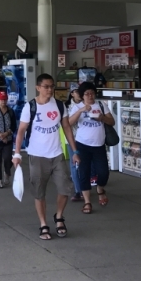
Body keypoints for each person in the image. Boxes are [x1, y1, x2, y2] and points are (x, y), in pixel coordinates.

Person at [12, 73, 81, 240]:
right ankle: (43, 224)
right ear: (38, 88)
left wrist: (75, 151)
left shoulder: (59, 105)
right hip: (37, 155)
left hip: (57, 154)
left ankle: (59, 216)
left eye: (52, 86)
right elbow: (21, 131)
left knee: (65, 188)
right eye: (46, 86)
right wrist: (17, 153)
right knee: (39, 192)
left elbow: (67, 128)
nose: (50, 89)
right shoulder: (30, 107)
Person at [67, 82, 115, 213]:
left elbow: (112, 121)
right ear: (82, 96)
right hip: (82, 144)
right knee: (84, 173)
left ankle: (100, 188)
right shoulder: (77, 107)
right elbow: (69, 123)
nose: (90, 96)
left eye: (92, 93)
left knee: (103, 172)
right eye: (87, 93)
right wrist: (81, 111)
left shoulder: (101, 105)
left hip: (99, 145)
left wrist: (102, 118)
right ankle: (87, 202)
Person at [64, 87, 84, 202]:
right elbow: (68, 123)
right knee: (74, 165)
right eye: (77, 91)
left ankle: (84, 188)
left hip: (85, 139)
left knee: (84, 164)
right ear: (72, 93)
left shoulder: (86, 104)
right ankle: (78, 191)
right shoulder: (67, 107)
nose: (79, 94)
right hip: (72, 139)